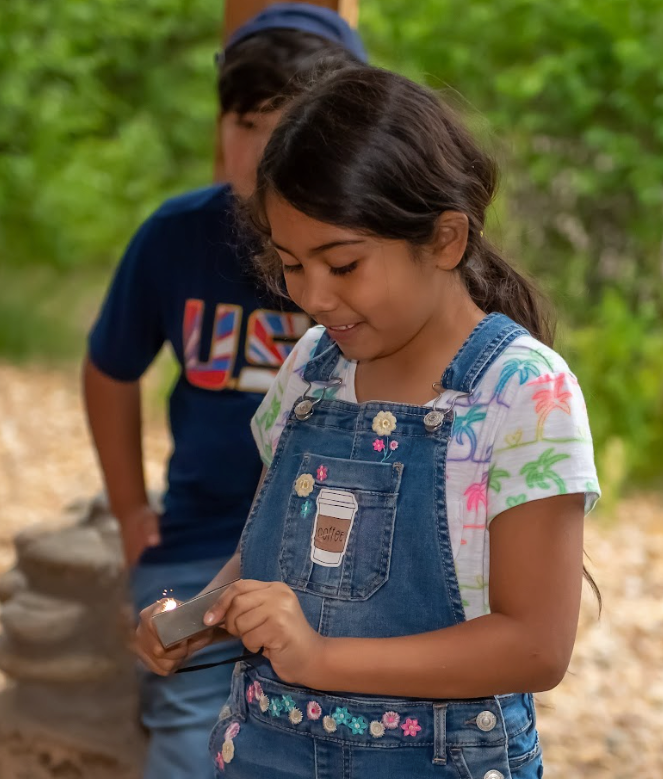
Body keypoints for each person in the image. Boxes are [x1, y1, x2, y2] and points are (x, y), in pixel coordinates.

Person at [135, 65, 601, 778]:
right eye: (291, 264)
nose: (313, 296)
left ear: (445, 239)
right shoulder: (310, 368)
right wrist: (199, 618)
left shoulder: (523, 393)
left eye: (343, 264)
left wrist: (321, 659)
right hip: (266, 751)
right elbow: (278, 557)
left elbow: (535, 646)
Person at [82, 7, 366, 779]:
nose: (266, 145)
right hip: (206, 538)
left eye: (290, 122)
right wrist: (129, 509)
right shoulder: (175, 236)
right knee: (194, 732)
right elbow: (109, 364)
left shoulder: (365, 257)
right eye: (246, 120)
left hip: (345, 554)